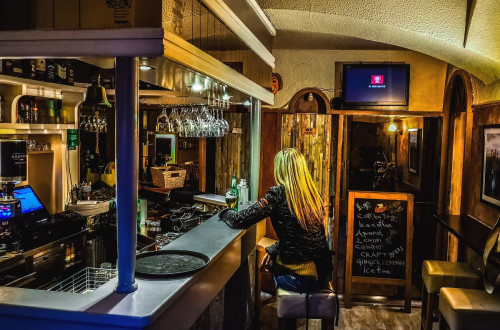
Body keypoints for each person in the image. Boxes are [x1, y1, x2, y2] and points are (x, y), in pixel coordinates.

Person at [219, 148, 333, 292]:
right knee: (274, 257)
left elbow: (239, 220)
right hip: (323, 274)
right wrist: (273, 250)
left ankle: (280, 309)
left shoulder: (277, 194)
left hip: (300, 279)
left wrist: (223, 212)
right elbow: (300, 237)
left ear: (280, 169)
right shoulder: (312, 195)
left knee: (270, 264)